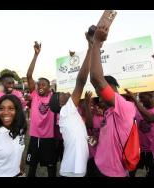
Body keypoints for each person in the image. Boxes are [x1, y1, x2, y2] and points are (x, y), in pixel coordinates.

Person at [88, 25, 137, 177]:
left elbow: (96, 78)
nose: (99, 96)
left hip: (113, 173)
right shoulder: (110, 110)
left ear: (113, 88)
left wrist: (96, 42)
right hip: (100, 167)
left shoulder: (124, 106)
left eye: (100, 92)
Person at [49, 26, 94, 177]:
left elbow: (87, 126)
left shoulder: (69, 113)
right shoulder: (66, 110)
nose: (65, 92)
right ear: (60, 103)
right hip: (72, 170)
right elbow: (80, 81)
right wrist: (90, 48)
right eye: (61, 93)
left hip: (74, 168)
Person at [25, 41, 57, 177]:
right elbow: (29, 75)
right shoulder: (35, 95)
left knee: (51, 168)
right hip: (34, 137)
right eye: (39, 84)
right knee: (31, 168)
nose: (40, 86)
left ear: (49, 87)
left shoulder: (54, 97)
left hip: (49, 138)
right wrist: (35, 55)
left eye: (44, 84)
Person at [129, 92, 154, 177]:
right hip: (139, 151)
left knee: (152, 173)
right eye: (140, 97)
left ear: (151, 96)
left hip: (153, 152)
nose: (141, 100)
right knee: (135, 173)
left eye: (142, 97)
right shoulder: (137, 111)